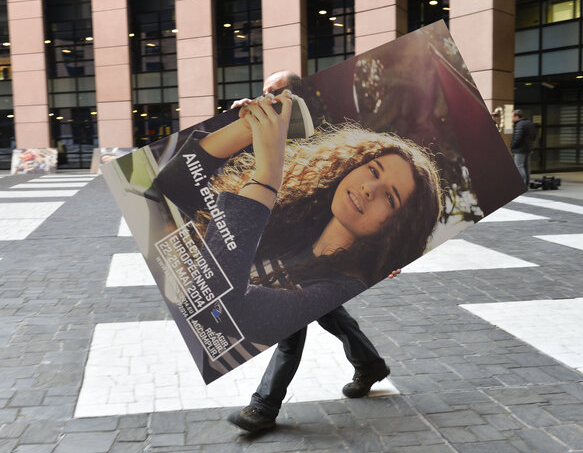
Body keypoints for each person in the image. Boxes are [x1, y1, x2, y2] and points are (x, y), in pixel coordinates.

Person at [154, 83, 442, 432]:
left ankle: (265, 404)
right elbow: (171, 185)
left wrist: (267, 176)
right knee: (327, 310)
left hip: (317, 285)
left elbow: (222, 310)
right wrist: (245, 128)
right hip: (315, 275)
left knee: (297, 323)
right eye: (373, 171)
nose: (370, 188)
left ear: (397, 230)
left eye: (391, 199)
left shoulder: (344, 279)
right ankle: (369, 364)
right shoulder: (303, 209)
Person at [510, 109, 535, 186]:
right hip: (528, 149)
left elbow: (518, 138)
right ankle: (526, 183)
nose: (512, 119)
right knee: (527, 167)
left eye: (512, 117)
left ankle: (521, 184)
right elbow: (534, 136)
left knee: (519, 166)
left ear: (517, 116)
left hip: (520, 150)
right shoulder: (530, 123)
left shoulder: (519, 124)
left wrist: (512, 146)